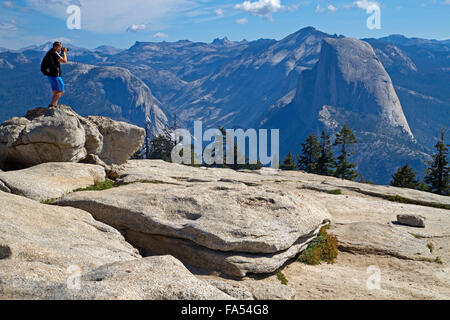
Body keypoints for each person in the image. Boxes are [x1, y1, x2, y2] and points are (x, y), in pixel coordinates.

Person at [40, 41, 68, 108]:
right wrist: (64, 53)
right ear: (57, 47)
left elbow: (57, 59)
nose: (61, 49)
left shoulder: (50, 53)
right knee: (61, 91)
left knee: (55, 91)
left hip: (50, 75)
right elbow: (64, 61)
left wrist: (61, 53)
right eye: (60, 47)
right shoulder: (54, 53)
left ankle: (54, 105)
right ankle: (52, 105)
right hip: (55, 75)